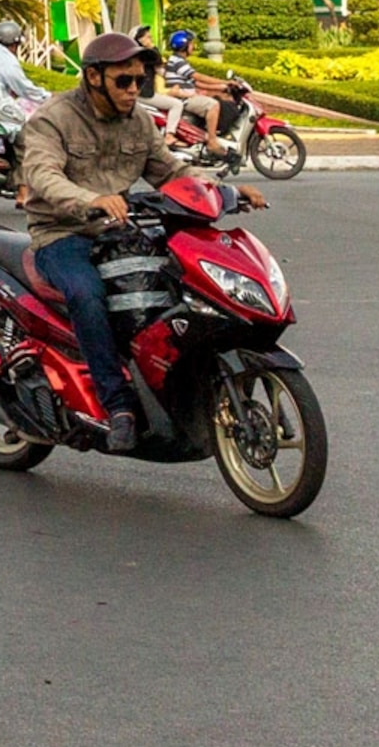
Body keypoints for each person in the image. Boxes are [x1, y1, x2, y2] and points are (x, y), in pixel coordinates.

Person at [18, 34, 253, 451]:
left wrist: (224, 190)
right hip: (63, 232)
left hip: (123, 228)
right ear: (93, 77)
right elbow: (43, 175)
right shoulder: (53, 118)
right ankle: (118, 404)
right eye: (124, 81)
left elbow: (171, 171)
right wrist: (91, 200)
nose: (133, 90)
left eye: (140, 83)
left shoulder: (139, 121)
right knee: (87, 294)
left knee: (178, 280)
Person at [0, 19, 49, 168]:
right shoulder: (8, 62)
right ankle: (20, 180)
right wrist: (48, 97)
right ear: (15, 43)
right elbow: (24, 89)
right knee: (25, 137)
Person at [158, 28, 220, 145]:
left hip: (186, 96)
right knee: (213, 105)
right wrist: (225, 82)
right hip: (184, 99)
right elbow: (197, 76)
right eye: (191, 44)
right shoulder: (178, 61)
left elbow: (196, 82)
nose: (193, 46)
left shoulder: (177, 60)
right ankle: (212, 141)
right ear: (183, 45)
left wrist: (221, 86)